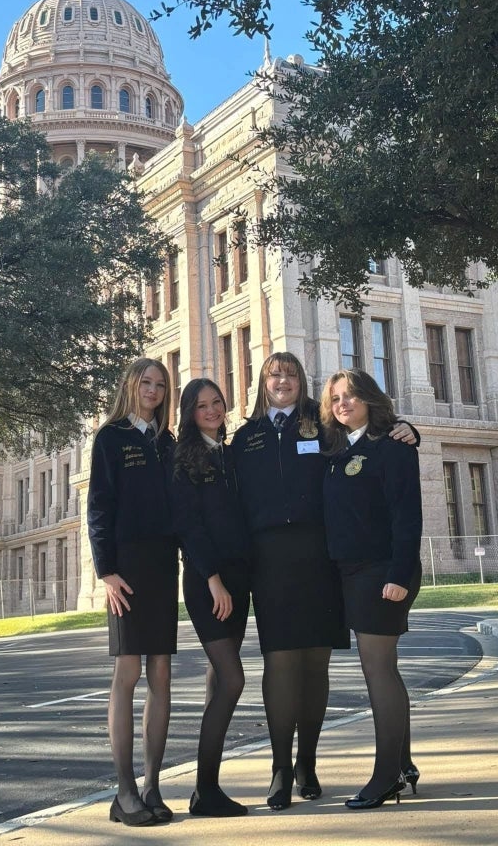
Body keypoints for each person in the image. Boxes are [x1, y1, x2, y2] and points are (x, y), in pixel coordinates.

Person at [231, 351, 417, 810]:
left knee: (336, 666)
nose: (283, 381)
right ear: (262, 382)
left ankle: (321, 765)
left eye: (292, 374)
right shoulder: (247, 436)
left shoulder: (322, 429)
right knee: (284, 664)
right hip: (275, 562)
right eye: (275, 374)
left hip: (327, 563)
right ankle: (284, 768)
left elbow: (392, 475)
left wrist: (410, 429)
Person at [320, 367, 423, 810]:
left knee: (378, 670)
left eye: (352, 396)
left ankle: (385, 777)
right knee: (383, 670)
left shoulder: (393, 448)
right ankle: (404, 764)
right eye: (336, 398)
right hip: (351, 574)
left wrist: (399, 575)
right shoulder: (339, 450)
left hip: (383, 573)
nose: (343, 403)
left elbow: (407, 515)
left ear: (370, 400)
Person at [87, 357, 178, 827]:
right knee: (129, 669)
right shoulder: (111, 437)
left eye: (161, 385)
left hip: (163, 567)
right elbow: (99, 505)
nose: (154, 390)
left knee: (161, 673)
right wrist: (106, 572)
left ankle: (152, 786)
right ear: (131, 385)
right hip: (126, 570)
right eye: (146, 382)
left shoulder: (168, 442)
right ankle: (123, 792)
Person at [170, 378, 250, 818]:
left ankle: (208, 790)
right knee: (232, 679)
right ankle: (203, 788)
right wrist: (214, 580)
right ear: (189, 412)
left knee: (219, 683)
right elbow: (190, 527)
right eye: (202, 406)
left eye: (217, 402)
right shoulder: (184, 457)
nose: (212, 410)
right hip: (208, 582)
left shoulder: (230, 453)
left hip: (240, 579)